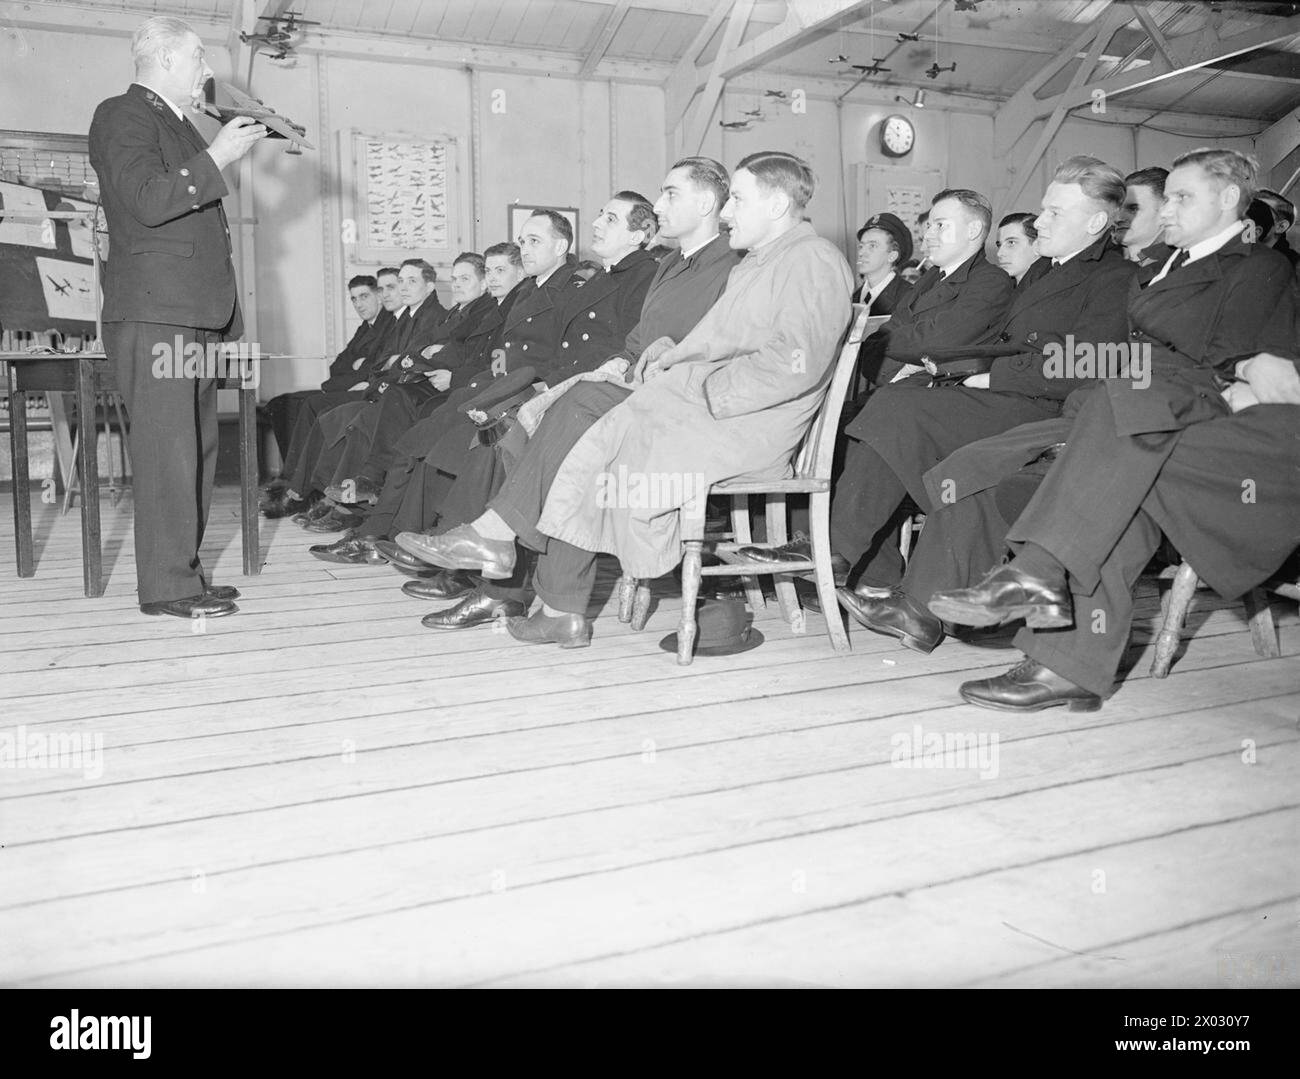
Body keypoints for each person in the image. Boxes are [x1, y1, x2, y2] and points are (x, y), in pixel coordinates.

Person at [402, 151, 854, 648]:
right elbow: (724, 340)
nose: (726, 214)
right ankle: (521, 565)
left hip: (743, 424)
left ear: (777, 205)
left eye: (738, 201)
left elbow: (794, 364)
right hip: (708, 409)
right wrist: (672, 354)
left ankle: (535, 579)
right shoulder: (761, 262)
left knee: (584, 426)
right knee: (579, 421)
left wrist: (694, 387)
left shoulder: (811, 260)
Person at [924, 148, 1298, 711]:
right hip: (1147, 415)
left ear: (1227, 200)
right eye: (1165, 196)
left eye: (1181, 197)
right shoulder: (1162, 266)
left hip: (1215, 430)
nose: (1165, 209)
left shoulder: (1257, 267)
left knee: (1118, 424)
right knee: (1114, 469)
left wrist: (1227, 367)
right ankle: (1063, 663)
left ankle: (1036, 577)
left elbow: (1229, 358)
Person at [773, 157, 1138, 653]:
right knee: (896, 404)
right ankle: (855, 564)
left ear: (1095, 223)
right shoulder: (1046, 272)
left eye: (1054, 213)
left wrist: (983, 374)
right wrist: (945, 369)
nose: (1039, 222)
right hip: (1008, 396)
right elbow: (1002, 341)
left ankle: (835, 552)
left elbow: (1090, 363)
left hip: (1047, 410)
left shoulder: (1114, 278)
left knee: (898, 411)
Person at [90, 15, 267, 618]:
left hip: (193, 314)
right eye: (199, 58)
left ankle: (183, 573)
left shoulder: (180, 124)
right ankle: (166, 586)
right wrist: (219, 154)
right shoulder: (122, 114)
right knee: (169, 450)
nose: (208, 71)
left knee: (195, 448)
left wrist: (217, 148)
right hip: (156, 312)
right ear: (166, 59)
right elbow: (143, 199)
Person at [261, 275, 391, 461]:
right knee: (280, 403)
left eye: (364, 296)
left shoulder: (388, 324)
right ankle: (293, 469)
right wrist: (355, 367)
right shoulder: (365, 327)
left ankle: (299, 473)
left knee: (306, 404)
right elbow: (337, 366)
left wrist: (355, 368)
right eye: (354, 299)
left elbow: (370, 370)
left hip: (360, 391)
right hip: (344, 386)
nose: (358, 304)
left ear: (378, 296)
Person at [1113, 167, 1171, 265]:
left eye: (1133, 209)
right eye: (1117, 209)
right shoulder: (1105, 262)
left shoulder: (1177, 266)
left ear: (1166, 211)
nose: (1118, 218)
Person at [994, 212, 1048, 286]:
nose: (999, 254)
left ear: (1037, 245)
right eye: (999, 245)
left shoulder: (1050, 289)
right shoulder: (1001, 289)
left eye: (1011, 242)